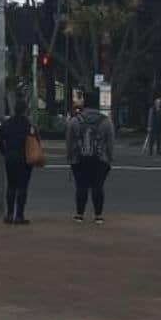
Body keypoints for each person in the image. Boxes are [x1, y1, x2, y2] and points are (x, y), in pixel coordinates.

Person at [65, 95, 114, 224]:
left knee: (81, 187)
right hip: (100, 159)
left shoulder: (75, 121)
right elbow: (110, 143)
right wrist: (109, 158)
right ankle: (98, 216)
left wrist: (70, 157)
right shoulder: (106, 121)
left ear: (85, 104)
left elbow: (69, 142)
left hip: (79, 159)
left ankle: (79, 214)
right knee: (98, 187)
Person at [0, 98, 38, 224]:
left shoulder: (7, 123)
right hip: (25, 158)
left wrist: (4, 151)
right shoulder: (29, 124)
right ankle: (19, 215)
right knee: (22, 187)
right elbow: (35, 140)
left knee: (11, 186)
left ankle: (9, 214)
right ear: (25, 110)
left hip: (10, 157)